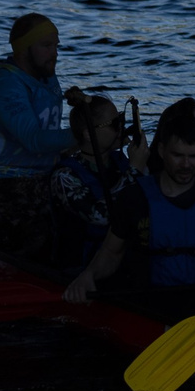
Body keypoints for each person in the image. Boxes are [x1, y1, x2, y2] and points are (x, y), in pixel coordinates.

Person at [66, 99, 195, 321]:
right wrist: (88, 275)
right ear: (161, 150)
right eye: (178, 156)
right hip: (152, 306)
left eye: (193, 156)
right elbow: (112, 252)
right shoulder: (135, 198)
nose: (186, 165)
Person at [0, 12, 85, 258]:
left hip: (37, 178)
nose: (55, 53)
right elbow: (34, 140)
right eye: (46, 46)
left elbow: (55, 138)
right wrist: (85, 135)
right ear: (24, 49)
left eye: (56, 45)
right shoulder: (3, 83)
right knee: (49, 226)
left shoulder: (45, 76)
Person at [46, 93, 141, 272]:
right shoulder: (64, 176)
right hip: (82, 267)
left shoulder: (119, 162)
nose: (121, 128)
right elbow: (101, 217)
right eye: (114, 124)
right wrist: (135, 171)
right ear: (89, 134)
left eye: (121, 120)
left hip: (122, 261)